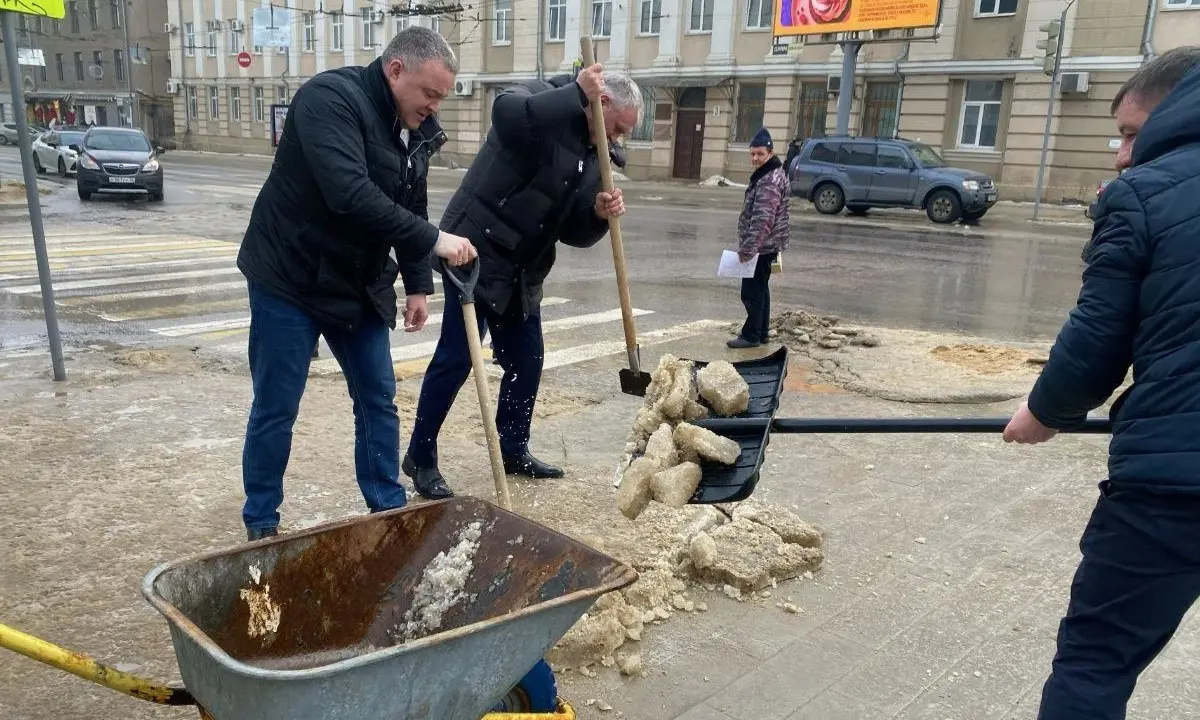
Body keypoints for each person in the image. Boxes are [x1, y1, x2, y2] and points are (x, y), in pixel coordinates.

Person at [1002, 46, 1200, 720]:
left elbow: (1096, 343)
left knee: (1096, 659)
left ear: (1174, 111)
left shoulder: (1144, 193)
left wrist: (1042, 412)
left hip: (1175, 489)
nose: (1120, 155)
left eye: (1130, 133)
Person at [235, 26, 476, 541]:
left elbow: (411, 201)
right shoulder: (328, 100)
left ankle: (387, 510)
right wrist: (435, 241)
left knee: (377, 397)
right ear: (395, 71)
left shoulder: (415, 127)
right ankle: (262, 523)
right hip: (290, 276)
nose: (435, 107)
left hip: (356, 281)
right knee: (277, 405)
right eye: (430, 94)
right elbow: (349, 194)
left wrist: (416, 284)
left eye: (442, 97)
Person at [402, 63, 640, 500]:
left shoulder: (596, 154)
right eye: (618, 128)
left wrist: (597, 215)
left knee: (527, 360)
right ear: (600, 102)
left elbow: (572, 232)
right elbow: (507, 114)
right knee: (457, 360)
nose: (618, 139)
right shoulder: (546, 96)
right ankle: (421, 455)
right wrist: (573, 93)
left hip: (524, 267)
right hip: (475, 250)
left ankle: (514, 446)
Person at [728, 127, 790, 349]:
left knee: (751, 292)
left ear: (770, 153)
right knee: (761, 289)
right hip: (768, 245)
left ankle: (751, 335)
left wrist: (748, 250)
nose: (755, 158)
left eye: (760, 154)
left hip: (762, 246)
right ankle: (761, 332)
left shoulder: (769, 179)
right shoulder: (770, 173)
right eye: (752, 154)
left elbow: (763, 219)